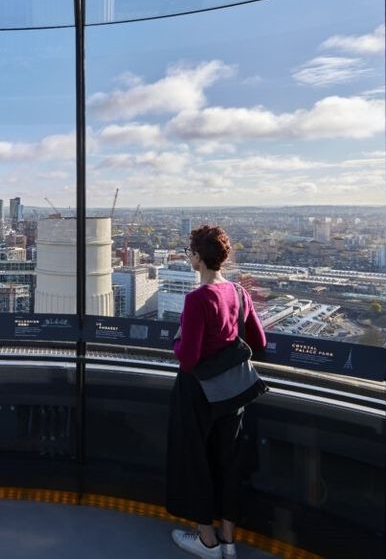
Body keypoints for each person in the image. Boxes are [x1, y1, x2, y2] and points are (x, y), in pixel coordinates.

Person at [166, 225, 266, 559]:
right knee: (228, 460)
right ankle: (228, 539)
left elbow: (189, 357)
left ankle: (206, 541)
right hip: (233, 390)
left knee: (195, 460)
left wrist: (177, 340)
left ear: (197, 258)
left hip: (197, 393)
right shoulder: (238, 292)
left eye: (189, 252)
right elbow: (259, 342)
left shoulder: (197, 299)